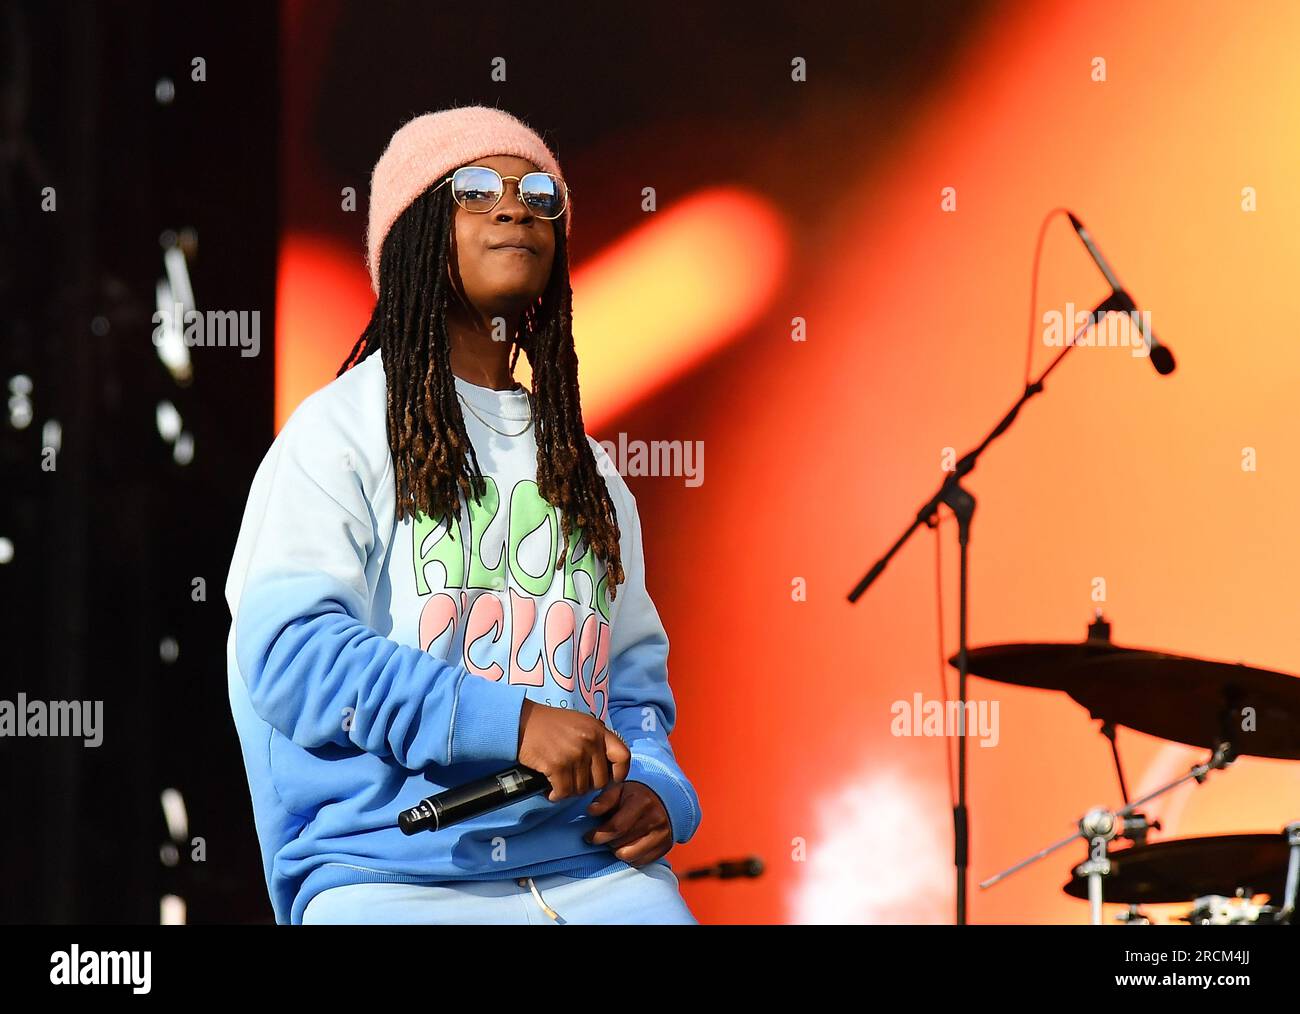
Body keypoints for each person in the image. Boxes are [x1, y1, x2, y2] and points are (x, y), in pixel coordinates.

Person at [224, 105, 702, 925]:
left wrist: (656, 787)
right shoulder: (338, 431)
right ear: (410, 236)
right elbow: (290, 654)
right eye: (474, 190)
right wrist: (506, 722)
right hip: (386, 868)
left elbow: (632, 687)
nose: (515, 208)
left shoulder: (587, 471)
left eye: (541, 195)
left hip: (588, 867)